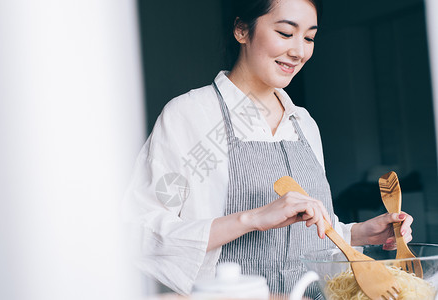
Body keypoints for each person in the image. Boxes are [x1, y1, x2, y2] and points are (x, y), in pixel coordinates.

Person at [122, 0, 414, 298]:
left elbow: (307, 231)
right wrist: (252, 218)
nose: (299, 51)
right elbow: (141, 231)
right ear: (241, 30)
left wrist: (357, 233)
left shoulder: (304, 124)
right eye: (286, 33)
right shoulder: (192, 116)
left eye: (309, 37)